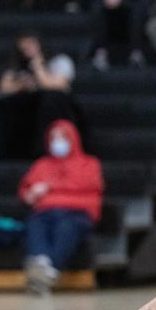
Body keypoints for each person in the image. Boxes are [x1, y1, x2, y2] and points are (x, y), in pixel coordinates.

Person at [18, 119, 103, 294]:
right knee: (35, 224)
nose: (58, 142)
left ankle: (45, 270)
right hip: (45, 212)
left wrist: (51, 188)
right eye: (53, 138)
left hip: (76, 213)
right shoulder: (42, 165)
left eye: (62, 137)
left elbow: (88, 188)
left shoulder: (89, 164)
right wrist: (32, 193)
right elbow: (26, 192)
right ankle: (44, 265)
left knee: (66, 227)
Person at [0, 30, 79, 162]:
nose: (28, 51)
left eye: (31, 46)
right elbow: (4, 88)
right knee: (2, 103)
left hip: (56, 105)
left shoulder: (60, 61)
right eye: (24, 48)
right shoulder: (18, 66)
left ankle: (44, 149)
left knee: (49, 101)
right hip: (29, 109)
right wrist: (22, 84)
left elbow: (57, 85)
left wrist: (38, 67)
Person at [90, 0, 152, 70]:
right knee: (99, 12)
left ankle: (136, 53)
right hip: (111, 21)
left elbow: (144, 4)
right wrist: (107, 4)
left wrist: (123, 3)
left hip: (130, 21)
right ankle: (101, 53)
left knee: (136, 15)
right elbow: (95, 2)